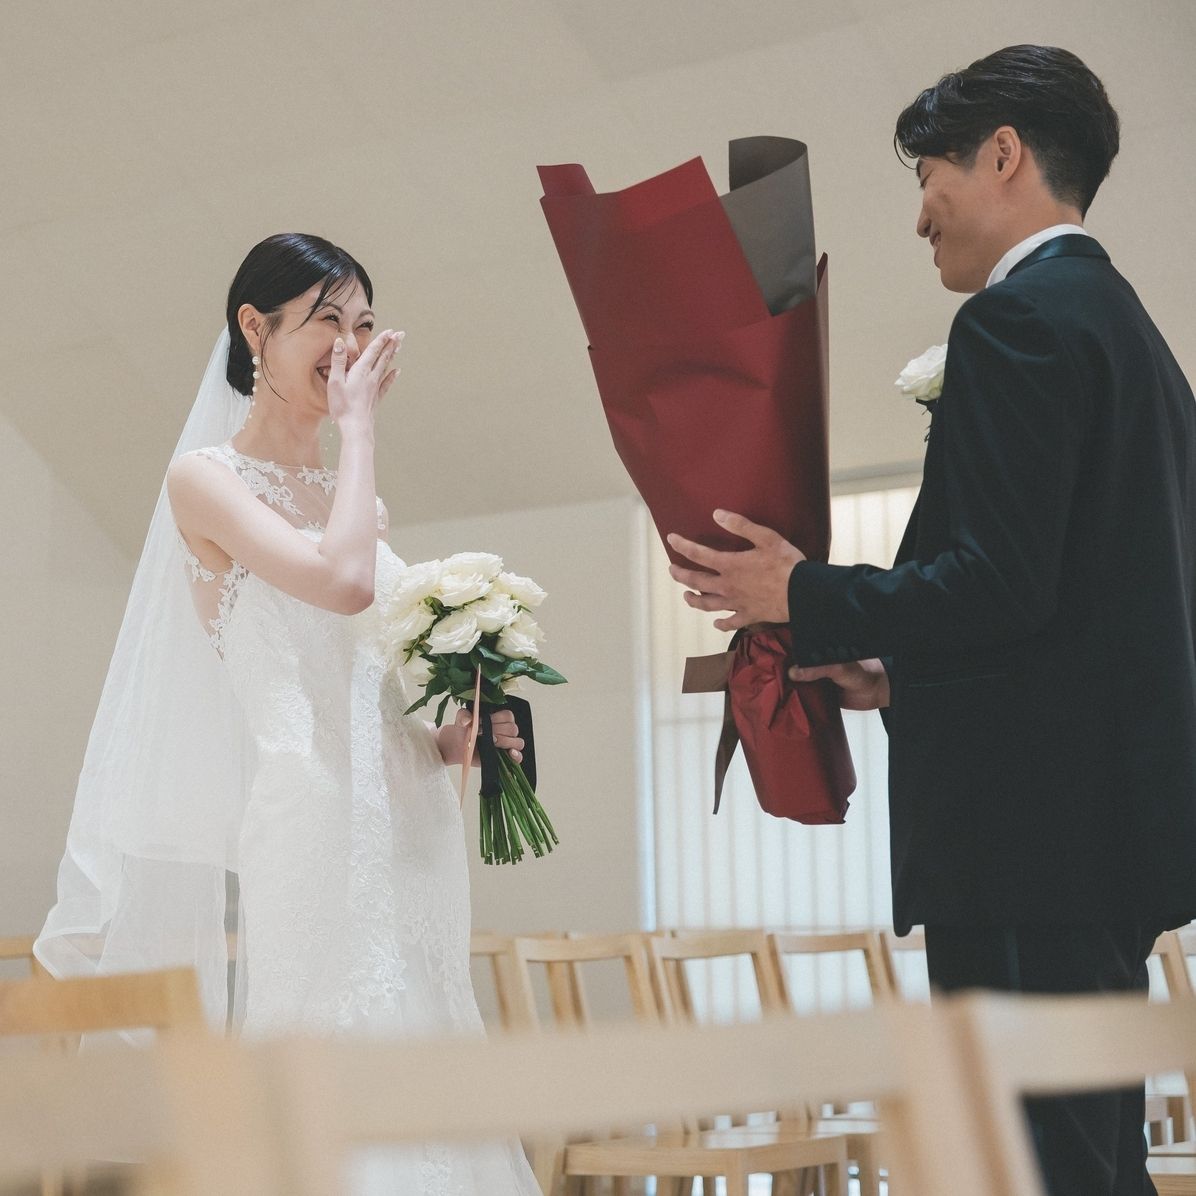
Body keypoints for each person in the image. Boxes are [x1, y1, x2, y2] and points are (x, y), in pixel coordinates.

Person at [667, 45, 1196, 1196]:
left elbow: (995, 581)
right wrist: (899, 677)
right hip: (1102, 836)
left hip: (1021, 846)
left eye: (926, 176)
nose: (918, 216)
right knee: (1090, 1160)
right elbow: (1072, 609)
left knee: (1030, 1166)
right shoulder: (1131, 336)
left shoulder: (1017, 322)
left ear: (1000, 154)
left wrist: (799, 593)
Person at [35, 232, 541, 1194]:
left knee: (429, 1031)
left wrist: (443, 742)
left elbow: (362, 676)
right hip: (310, 818)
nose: (350, 345)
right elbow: (343, 586)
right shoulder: (205, 481)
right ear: (254, 329)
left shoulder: (350, 500)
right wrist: (360, 435)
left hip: (411, 821)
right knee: (334, 1046)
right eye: (326, 320)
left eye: (364, 322)